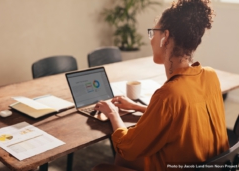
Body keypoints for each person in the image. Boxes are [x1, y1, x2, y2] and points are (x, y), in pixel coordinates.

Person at [92, 0, 229, 170]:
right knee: (123, 162)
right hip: (210, 166)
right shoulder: (210, 75)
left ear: (165, 37)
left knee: (105, 165)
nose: (150, 41)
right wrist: (137, 107)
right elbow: (179, 116)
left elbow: (127, 147)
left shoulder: (168, 94)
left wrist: (113, 114)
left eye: (153, 33)